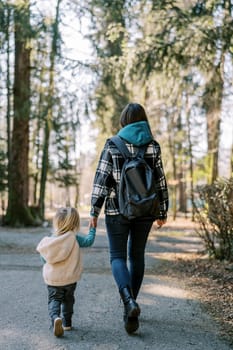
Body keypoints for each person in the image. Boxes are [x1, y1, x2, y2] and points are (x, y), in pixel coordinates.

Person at [89, 102, 169, 334]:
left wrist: (94, 210)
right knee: (137, 257)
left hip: (117, 209)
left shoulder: (113, 144)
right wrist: (162, 210)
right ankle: (130, 308)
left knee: (117, 257)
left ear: (124, 120)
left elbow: (101, 178)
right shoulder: (153, 146)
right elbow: (160, 180)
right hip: (145, 210)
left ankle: (128, 302)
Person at [36, 207, 96, 337]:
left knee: (54, 300)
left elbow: (43, 259)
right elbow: (89, 241)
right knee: (68, 300)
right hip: (69, 279)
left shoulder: (50, 241)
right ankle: (67, 323)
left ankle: (55, 318)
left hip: (53, 279)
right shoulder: (74, 238)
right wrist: (92, 228)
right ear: (75, 223)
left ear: (56, 222)